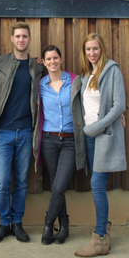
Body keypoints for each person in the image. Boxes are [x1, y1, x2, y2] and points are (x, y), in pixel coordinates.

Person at [71, 33, 126, 257]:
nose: (92, 53)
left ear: (101, 49)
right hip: (89, 137)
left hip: (104, 136)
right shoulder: (85, 75)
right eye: (88, 49)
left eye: (95, 48)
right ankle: (105, 228)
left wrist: (97, 127)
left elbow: (118, 105)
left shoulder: (112, 71)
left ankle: (100, 238)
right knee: (98, 185)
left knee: (96, 184)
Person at [0, 22, 43, 243]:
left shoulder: (37, 66)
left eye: (25, 36)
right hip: (2, 132)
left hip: (25, 133)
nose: (21, 40)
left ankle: (17, 223)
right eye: (18, 36)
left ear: (29, 39)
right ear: (12, 39)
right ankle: (4, 223)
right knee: (2, 183)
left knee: (21, 182)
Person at [34, 45, 78, 245]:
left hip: (70, 140)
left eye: (55, 58)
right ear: (43, 62)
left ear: (61, 59)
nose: (52, 62)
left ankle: (48, 225)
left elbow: (92, 100)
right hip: (49, 141)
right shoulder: (40, 85)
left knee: (59, 186)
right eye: (48, 59)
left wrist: (120, 112)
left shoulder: (75, 81)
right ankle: (65, 226)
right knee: (56, 186)